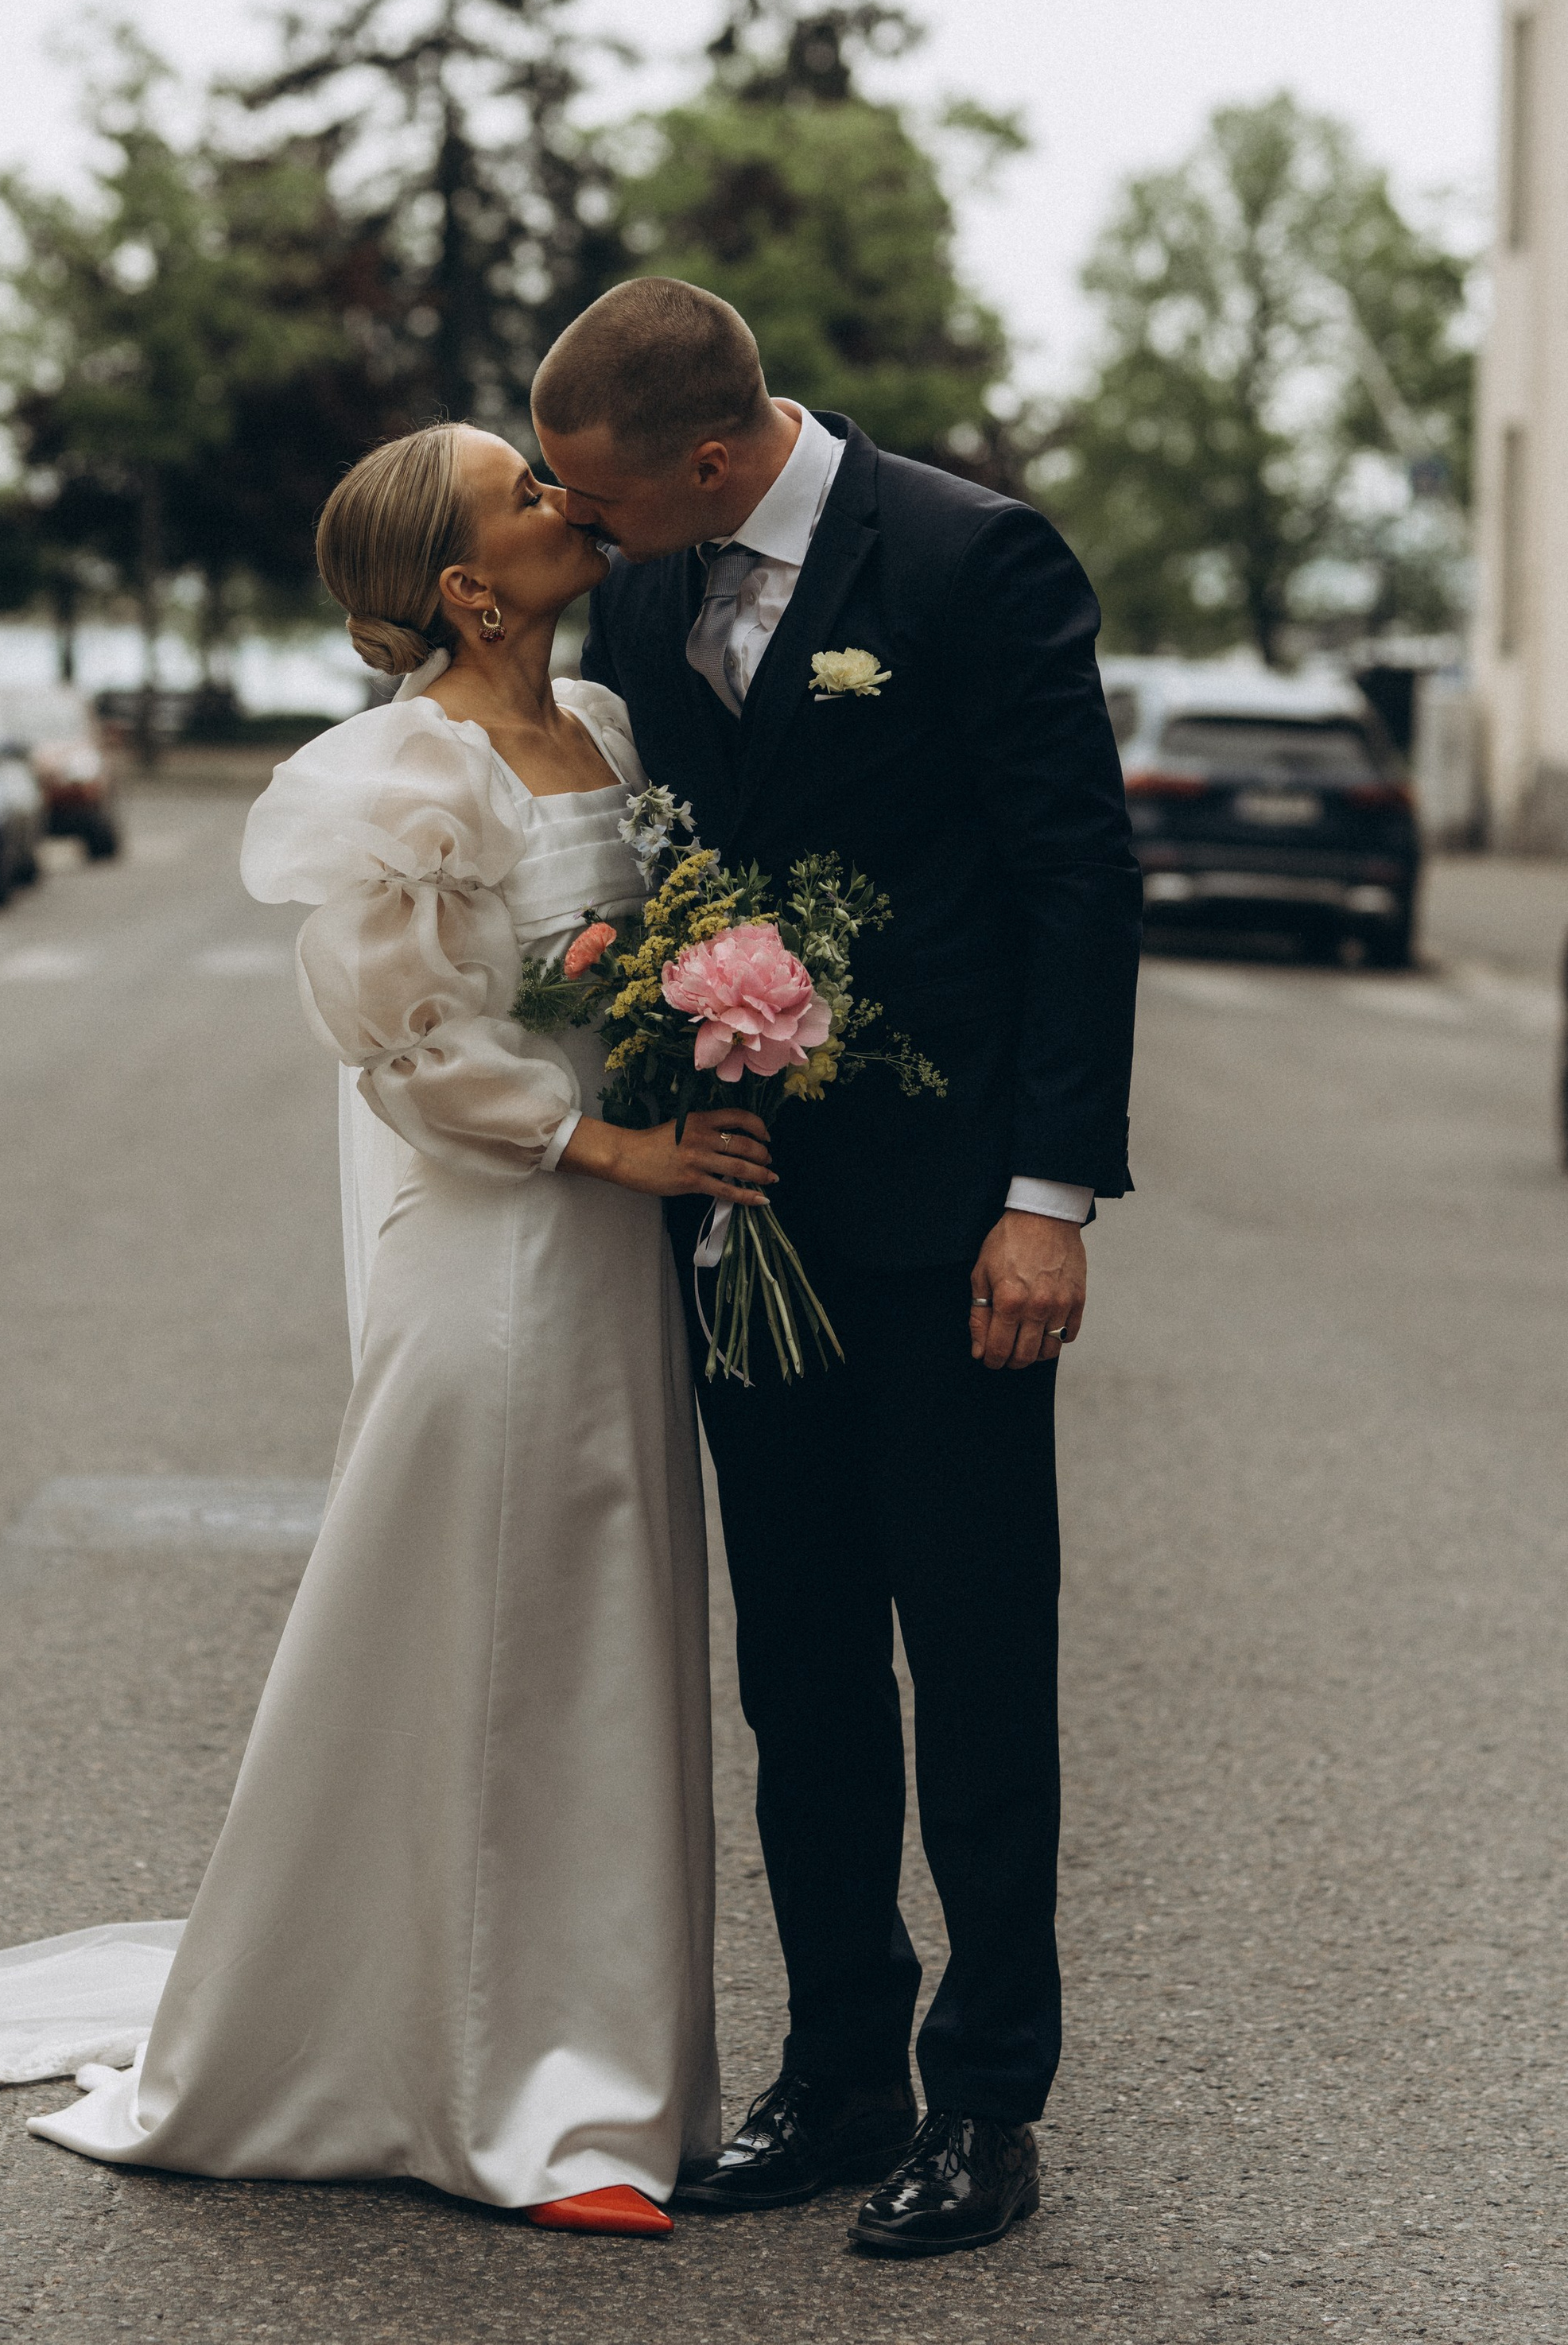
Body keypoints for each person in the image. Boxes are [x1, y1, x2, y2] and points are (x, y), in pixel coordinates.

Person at [0, 421, 760, 2244]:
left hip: (621, 1255)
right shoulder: (401, 777)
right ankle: (520, 2098)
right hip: (506, 1248)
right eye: (519, 493)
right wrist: (624, 1146)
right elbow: (405, 1046)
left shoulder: (603, 730)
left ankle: (589, 2059)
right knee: (506, 1616)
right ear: (458, 587)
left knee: (600, 1627)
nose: (558, 501)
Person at [533, 277, 1140, 2260]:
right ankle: (838, 2070)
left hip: (956, 1222)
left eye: (598, 499)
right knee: (797, 1670)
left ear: (710, 460)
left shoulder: (970, 562)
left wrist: (1045, 1193)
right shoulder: (641, 594)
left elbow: (1072, 879)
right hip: (740, 1214)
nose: (580, 534)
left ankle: (985, 2101)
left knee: (971, 1661)